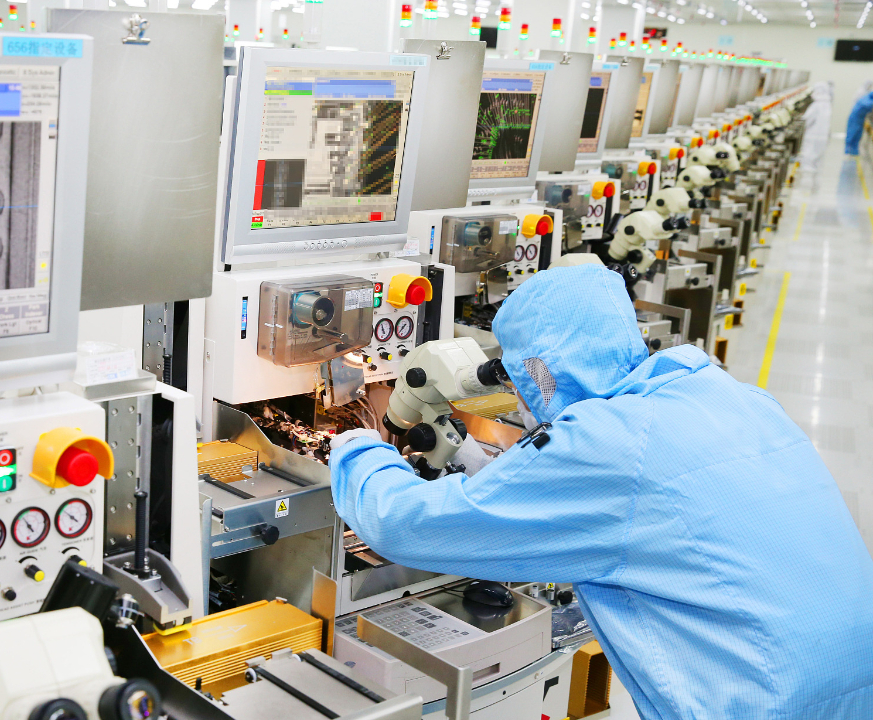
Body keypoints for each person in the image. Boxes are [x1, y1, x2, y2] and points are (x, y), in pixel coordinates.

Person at [330, 264, 873, 720]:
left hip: (763, 699)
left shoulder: (605, 442)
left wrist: (356, 442)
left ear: (540, 369)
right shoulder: (728, 394)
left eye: (521, 379)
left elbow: (402, 523)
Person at [797, 82, 832, 180]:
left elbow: (807, 120)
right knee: (817, 155)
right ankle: (812, 173)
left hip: (812, 134)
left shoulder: (816, 105)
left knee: (808, 154)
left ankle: (806, 177)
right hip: (823, 135)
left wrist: (801, 119)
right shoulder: (827, 104)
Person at [844, 84, 873, 155]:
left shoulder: (868, 98)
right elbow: (868, 105)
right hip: (855, 118)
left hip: (860, 118)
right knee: (852, 133)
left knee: (857, 134)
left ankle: (853, 150)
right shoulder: (866, 99)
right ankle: (849, 150)